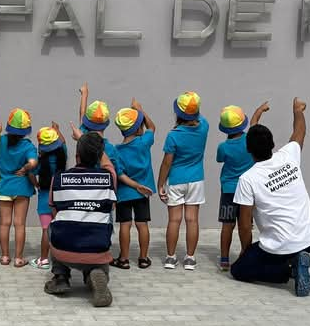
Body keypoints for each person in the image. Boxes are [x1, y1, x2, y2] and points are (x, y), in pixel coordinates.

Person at [232, 98, 310, 297]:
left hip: (281, 245)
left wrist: (246, 252)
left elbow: (245, 224)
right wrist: (298, 110)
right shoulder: (288, 155)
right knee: (280, 250)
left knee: (238, 270)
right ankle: (297, 259)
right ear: (273, 144)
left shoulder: (248, 179)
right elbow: (300, 131)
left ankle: (289, 270)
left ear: (248, 150)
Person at [43, 132, 117, 308]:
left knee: (53, 226)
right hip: (97, 248)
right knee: (105, 220)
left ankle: (61, 276)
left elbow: (54, 211)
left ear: (77, 156)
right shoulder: (108, 178)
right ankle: (98, 273)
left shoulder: (59, 178)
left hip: (64, 249)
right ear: (99, 156)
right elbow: (108, 166)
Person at [157, 91, 209, 271]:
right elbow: (199, 116)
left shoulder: (173, 136)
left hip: (177, 180)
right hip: (196, 180)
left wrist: (160, 183)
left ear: (178, 114)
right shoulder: (204, 127)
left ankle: (171, 258)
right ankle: (190, 258)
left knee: (174, 221)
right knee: (192, 220)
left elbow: (166, 163)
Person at [214, 102, 269, 271]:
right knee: (245, 225)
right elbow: (254, 123)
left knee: (227, 225)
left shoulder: (223, 147)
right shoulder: (249, 139)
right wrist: (259, 110)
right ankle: (246, 253)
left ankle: (224, 259)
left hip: (229, 190)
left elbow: (219, 160)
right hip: (247, 191)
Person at [112, 99, 157, 270]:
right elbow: (152, 127)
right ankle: (143, 258)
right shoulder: (143, 142)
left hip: (124, 193)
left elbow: (120, 174)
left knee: (125, 224)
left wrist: (133, 185)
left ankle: (123, 259)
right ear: (139, 128)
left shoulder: (117, 150)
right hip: (142, 193)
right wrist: (141, 110)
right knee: (142, 224)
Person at [0, 108, 38, 268]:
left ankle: (5, 256)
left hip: (4, 187)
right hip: (21, 188)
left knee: (4, 223)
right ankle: (19, 258)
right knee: (19, 224)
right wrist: (26, 168)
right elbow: (33, 162)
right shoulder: (28, 146)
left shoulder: (1, 141)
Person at [30, 124, 66, 270]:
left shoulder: (40, 161)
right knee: (60, 229)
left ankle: (44, 260)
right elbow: (63, 142)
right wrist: (57, 130)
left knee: (46, 229)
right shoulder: (62, 155)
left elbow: (31, 173)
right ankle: (62, 258)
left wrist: (36, 184)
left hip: (45, 198)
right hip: (61, 198)